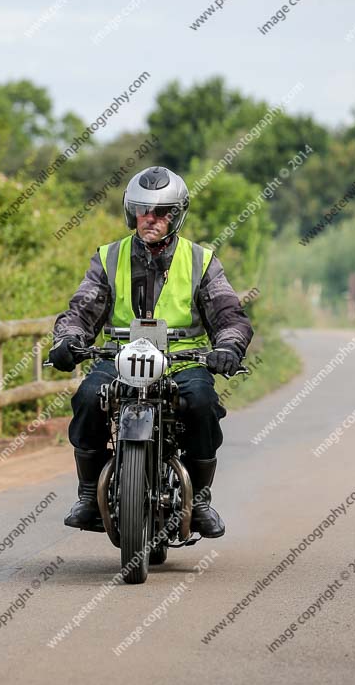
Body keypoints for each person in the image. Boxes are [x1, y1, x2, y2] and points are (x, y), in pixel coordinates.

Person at [49, 166, 253, 538]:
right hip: (119, 357)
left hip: (182, 361)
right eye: (143, 210)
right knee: (88, 396)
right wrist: (66, 340)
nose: (151, 219)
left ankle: (200, 499)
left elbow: (229, 315)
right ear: (132, 212)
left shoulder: (201, 261)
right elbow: (81, 309)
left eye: (161, 212)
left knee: (203, 401)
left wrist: (227, 347)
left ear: (176, 215)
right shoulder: (109, 257)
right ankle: (87, 494)